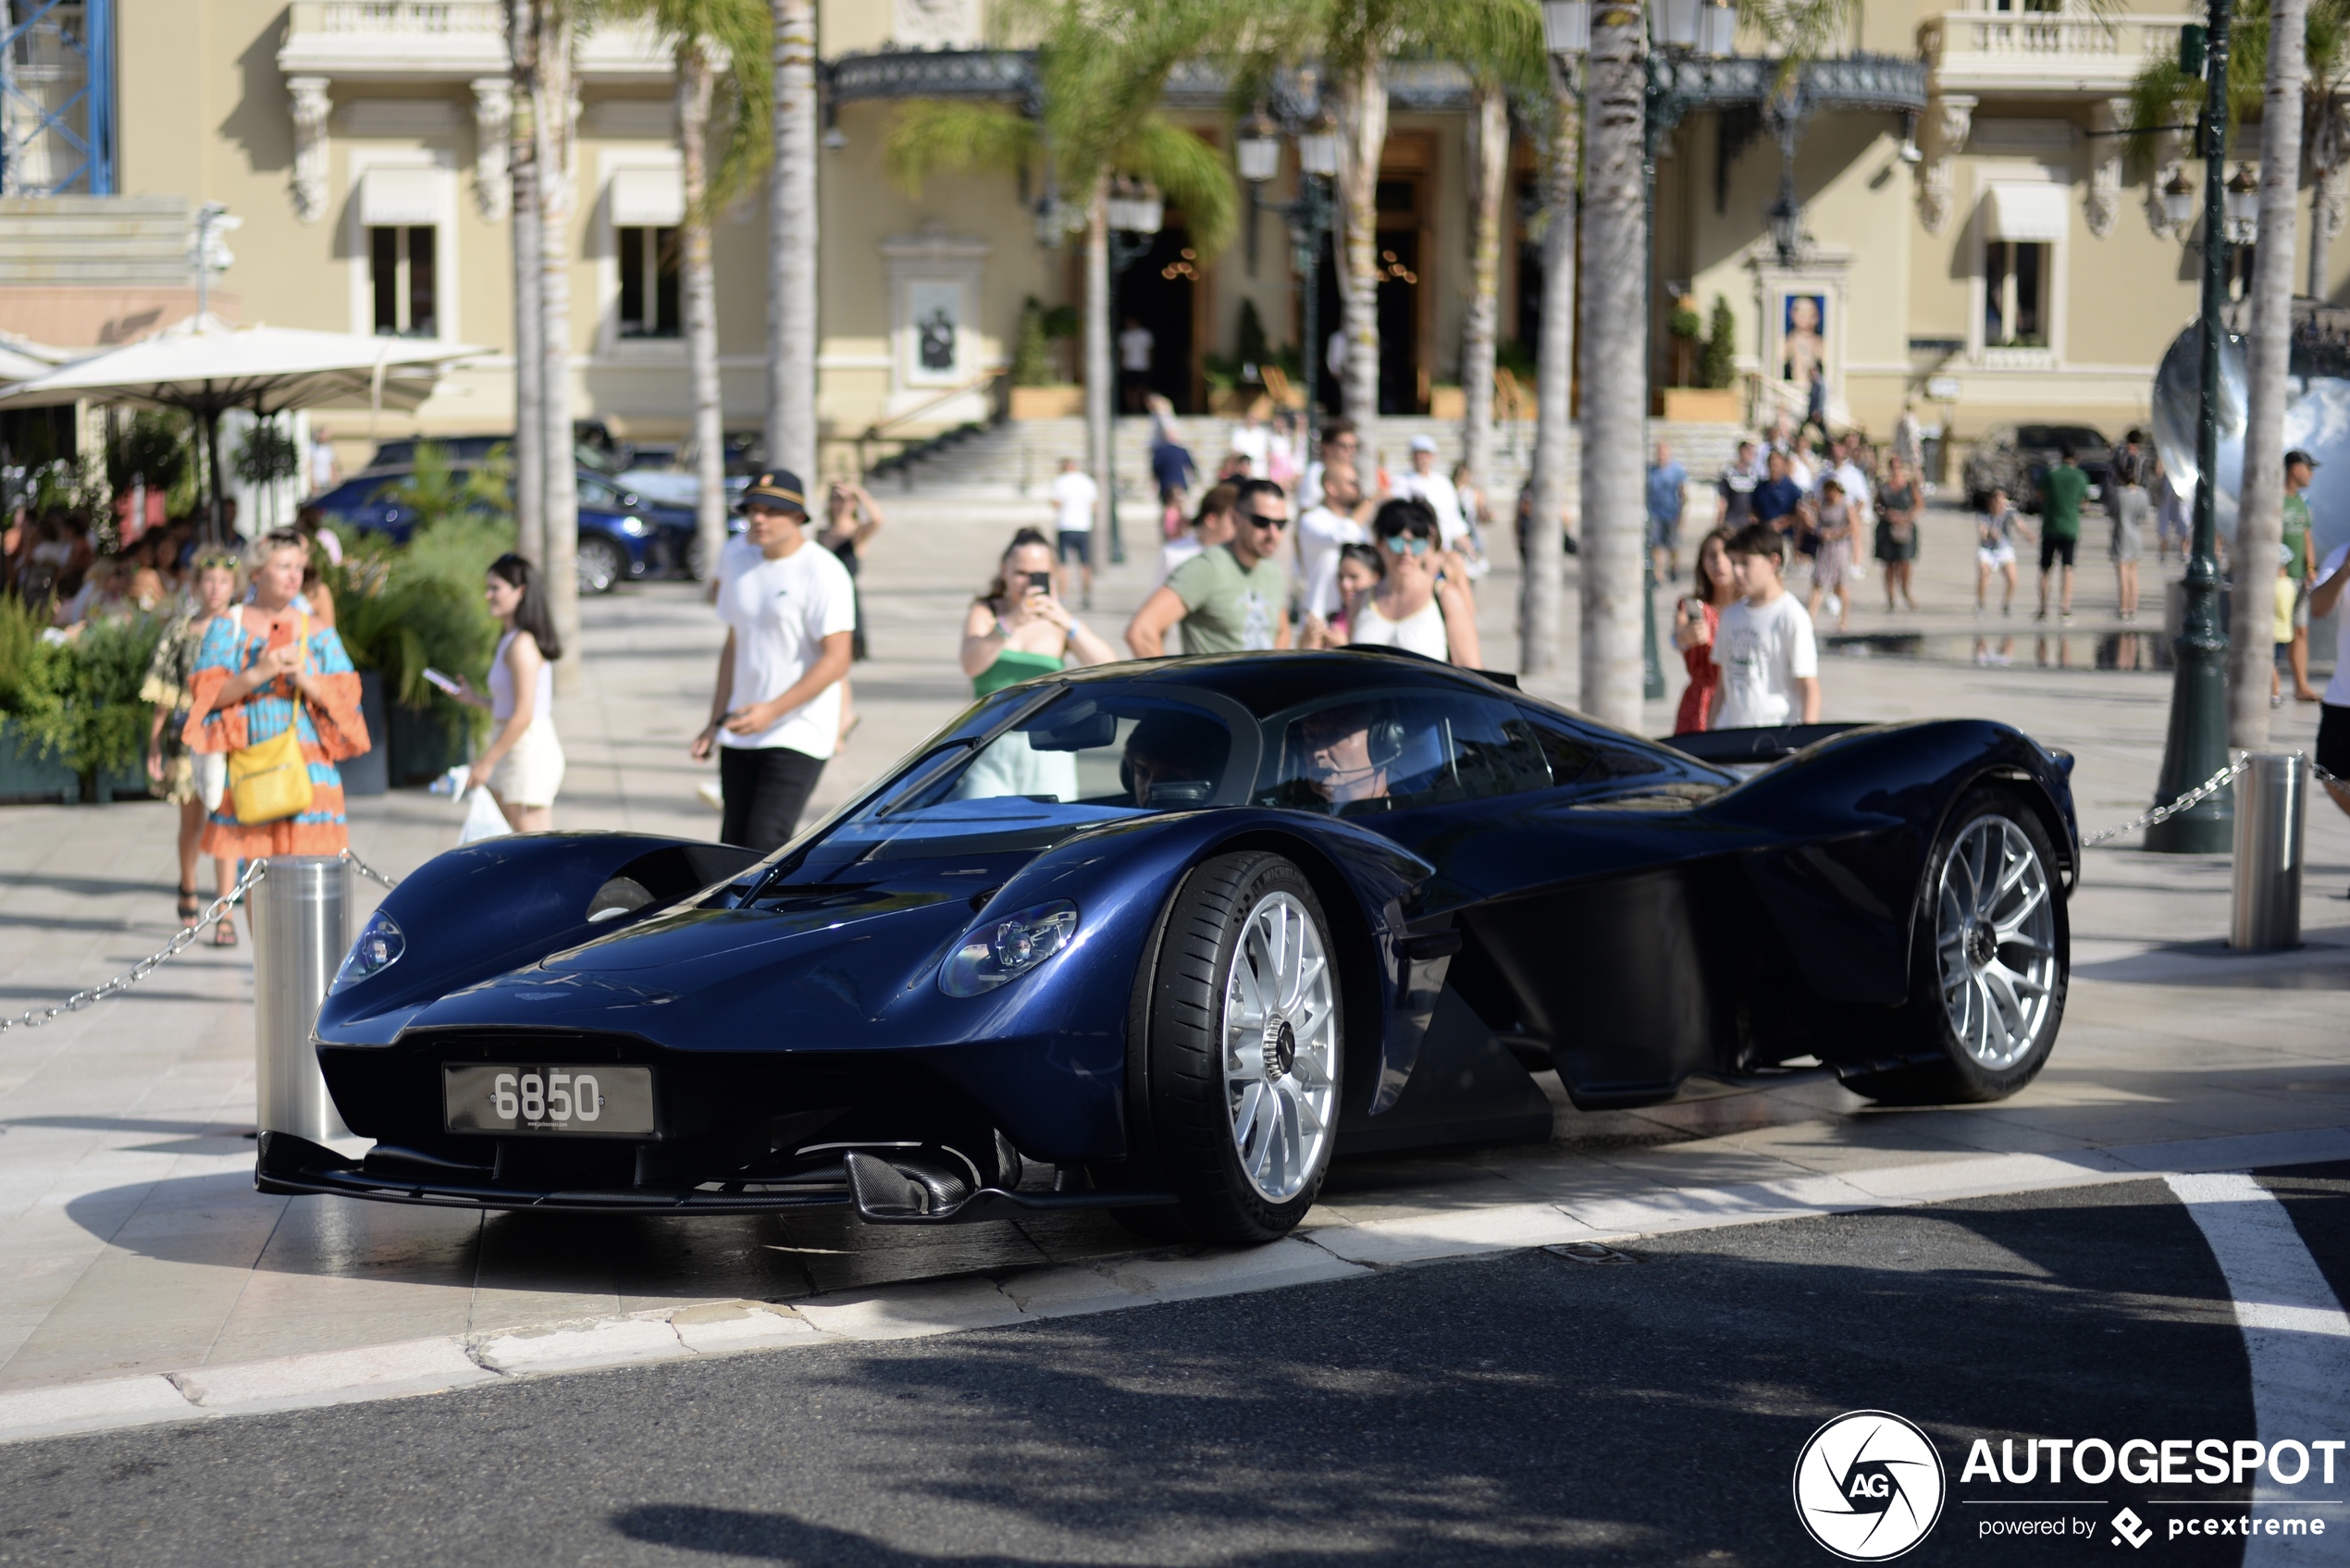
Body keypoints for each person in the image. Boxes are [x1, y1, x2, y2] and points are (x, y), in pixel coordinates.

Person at [184, 529, 371, 939]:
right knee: (258, 874)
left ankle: (313, 978)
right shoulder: (228, 627)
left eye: (299, 568)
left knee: (312, 872)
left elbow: (346, 701)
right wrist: (260, 672)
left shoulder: (317, 629)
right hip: (255, 765)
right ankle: (269, 973)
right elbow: (207, 695)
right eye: (284, 566)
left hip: (309, 769)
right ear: (256, 571)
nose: (294, 576)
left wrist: (304, 677)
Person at [691, 471, 856, 853]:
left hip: (799, 727)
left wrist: (772, 711)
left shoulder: (824, 570)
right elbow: (735, 640)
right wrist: (715, 720)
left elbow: (838, 659)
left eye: (772, 511)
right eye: (753, 510)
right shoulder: (735, 555)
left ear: (799, 517)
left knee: (765, 843)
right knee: (732, 844)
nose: (759, 519)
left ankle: (765, 916)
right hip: (742, 723)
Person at [143, 550, 241, 931]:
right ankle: (187, 882)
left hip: (229, 733)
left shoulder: (239, 628)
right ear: (196, 584)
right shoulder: (181, 629)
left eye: (223, 582)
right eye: (208, 580)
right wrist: (154, 743)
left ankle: (225, 908)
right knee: (193, 821)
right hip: (187, 734)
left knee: (226, 819)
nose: (215, 589)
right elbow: (163, 692)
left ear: (234, 586)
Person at [441, 554, 566, 832]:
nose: (488, 595)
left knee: (535, 853)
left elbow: (523, 715)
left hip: (527, 752)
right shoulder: (510, 640)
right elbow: (511, 707)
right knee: (525, 851)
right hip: (514, 748)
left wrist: (486, 763)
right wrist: (473, 699)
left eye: (495, 588)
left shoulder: (522, 645)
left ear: (520, 592)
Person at [1126, 477, 1292, 656]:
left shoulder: (1273, 571)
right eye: (1261, 522)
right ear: (1236, 518)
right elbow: (1142, 632)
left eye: (1280, 524)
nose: (1272, 533)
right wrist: (1170, 683)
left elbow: (1282, 632)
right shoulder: (1207, 567)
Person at [959, 528, 1118, 698]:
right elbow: (971, 665)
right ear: (1005, 570)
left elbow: (1112, 672)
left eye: (1038, 575)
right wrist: (1010, 622)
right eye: (1021, 573)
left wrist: (1069, 624)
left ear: (1053, 574)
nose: (1028, 584)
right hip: (992, 723)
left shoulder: (1059, 622)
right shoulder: (987, 612)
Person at [1349, 498, 1480, 666]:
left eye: (1416, 543)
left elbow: (1472, 671)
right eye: (1397, 542)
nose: (1406, 551)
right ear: (1380, 544)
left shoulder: (1445, 597)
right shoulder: (1361, 600)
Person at [1712, 525, 1820, 729]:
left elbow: (1808, 686)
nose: (1737, 571)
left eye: (1745, 563)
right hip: (1729, 735)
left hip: (1773, 736)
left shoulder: (1791, 616)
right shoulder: (1729, 615)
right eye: (1734, 563)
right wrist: (1709, 735)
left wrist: (1807, 742)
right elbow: (1721, 686)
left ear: (1773, 562)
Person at [819, 478, 885, 742]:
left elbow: (878, 520)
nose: (840, 504)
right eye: (836, 497)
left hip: (847, 604)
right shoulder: (822, 534)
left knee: (840, 667)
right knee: (827, 665)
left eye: (846, 499)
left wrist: (860, 492)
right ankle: (841, 720)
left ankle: (843, 722)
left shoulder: (857, 533)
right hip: (823, 602)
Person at [1671, 526, 1742, 735]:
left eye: (1726, 554)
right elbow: (1678, 636)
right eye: (1711, 555)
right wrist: (1684, 637)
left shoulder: (1748, 610)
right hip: (1700, 702)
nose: (1719, 562)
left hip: (1738, 701)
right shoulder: (1693, 607)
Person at [2309, 539, 2350, 838]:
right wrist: (2345, 569)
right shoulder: (2340, 554)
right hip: (2342, 697)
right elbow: (2319, 608)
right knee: (2332, 777)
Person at [1295, 461, 1370, 622]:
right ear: (1331, 487)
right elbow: (1342, 538)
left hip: (1355, 614)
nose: (1358, 488)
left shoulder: (1357, 523)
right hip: (1320, 618)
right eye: (1352, 483)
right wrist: (1368, 505)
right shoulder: (1311, 519)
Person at [2283, 449, 2322, 702]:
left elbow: (2306, 536)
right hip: (2279, 579)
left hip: (2300, 578)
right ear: (2296, 469)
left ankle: (2301, 685)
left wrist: (2311, 567)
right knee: (2274, 633)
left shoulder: (2302, 503)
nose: (2311, 475)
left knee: (2301, 631)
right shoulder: (2275, 500)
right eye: (2309, 469)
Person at [2035, 443, 2089, 623]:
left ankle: (2043, 608)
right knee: (2068, 568)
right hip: (2070, 527)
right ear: (2076, 458)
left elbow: (2040, 495)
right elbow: (2083, 501)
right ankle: (2065, 608)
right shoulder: (2080, 476)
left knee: (2045, 569)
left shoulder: (2051, 474)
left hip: (2050, 526)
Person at [1392, 434, 1467, 550]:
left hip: (1444, 549)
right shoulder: (1400, 483)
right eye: (1418, 454)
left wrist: (1469, 550)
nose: (1422, 459)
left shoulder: (1444, 483)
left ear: (1433, 457)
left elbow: (1455, 522)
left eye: (1426, 454)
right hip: (1414, 549)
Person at [1303, 543, 1384, 648]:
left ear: (1375, 578)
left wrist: (1343, 647)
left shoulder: (1382, 623)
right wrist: (1311, 639)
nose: (1345, 585)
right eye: (1341, 577)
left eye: (1354, 577)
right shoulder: (1331, 621)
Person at [1160, 482, 1238, 589]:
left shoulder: (1239, 557)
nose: (1240, 526)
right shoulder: (1173, 554)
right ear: (1212, 520)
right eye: (1234, 520)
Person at [1805, 477, 1856, 633]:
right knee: (1818, 583)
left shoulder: (1845, 506)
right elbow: (1815, 524)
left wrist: (1835, 534)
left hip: (1840, 548)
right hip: (1824, 548)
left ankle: (1843, 619)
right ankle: (1810, 617)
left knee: (1839, 586)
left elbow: (1852, 527)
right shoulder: (1822, 505)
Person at [1047, 456, 1098, 610]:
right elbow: (1094, 505)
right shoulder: (1088, 482)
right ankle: (1086, 595)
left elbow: (1056, 504)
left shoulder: (1060, 482)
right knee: (1085, 564)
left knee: (1063, 564)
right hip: (1083, 526)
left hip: (1065, 525)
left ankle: (1063, 596)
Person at [1874, 454, 1921, 611]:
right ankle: (1890, 595)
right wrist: (1886, 514)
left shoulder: (1909, 485)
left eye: (1897, 466)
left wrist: (1905, 516)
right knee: (1889, 564)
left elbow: (1919, 505)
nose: (1895, 469)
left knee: (1905, 562)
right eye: (1892, 466)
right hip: (1887, 528)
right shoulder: (1884, 486)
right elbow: (1877, 505)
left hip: (1905, 528)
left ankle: (1906, 590)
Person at [1975, 487, 2029, 616]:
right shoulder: (1984, 514)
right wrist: (1989, 534)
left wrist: (2028, 535)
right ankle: (1981, 604)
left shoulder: (2009, 513)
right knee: (1984, 574)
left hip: (2003, 549)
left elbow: (2020, 524)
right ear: (1992, 501)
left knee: (2012, 580)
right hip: (1987, 549)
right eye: (1998, 500)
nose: (2001, 504)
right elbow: (1982, 531)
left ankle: (2007, 604)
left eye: (2003, 501)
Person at [2109, 455, 2149, 624]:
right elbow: (2143, 516)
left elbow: (2112, 513)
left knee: (2123, 574)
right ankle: (2133, 607)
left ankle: (2123, 607)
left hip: (2122, 534)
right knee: (2134, 574)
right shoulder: (2143, 495)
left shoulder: (2119, 495)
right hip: (2136, 535)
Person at [1645, 440, 1688, 582]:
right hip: (1655, 513)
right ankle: (1658, 573)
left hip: (1672, 512)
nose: (1661, 455)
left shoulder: (1676, 471)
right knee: (1655, 544)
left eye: (1663, 452)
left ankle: (1674, 568)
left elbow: (1683, 494)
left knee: (1673, 545)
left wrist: (1682, 515)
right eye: (1658, 452)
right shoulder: (1650, 471)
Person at [1295, 418, 1360, 512]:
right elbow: (1306, 512)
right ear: (1327, 447)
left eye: (1353, 446)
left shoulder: (1351, 471)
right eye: (1343, 446)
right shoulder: (1316, 472)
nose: (1350, 451)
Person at [1752, 449, 1803, 532]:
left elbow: (1798, 515)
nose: (1773, 467)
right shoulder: (1760, 488)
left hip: (1785, 534)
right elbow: (1754, 510)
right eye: (1771, 464)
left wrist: (1783, 523)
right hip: (1765, 534)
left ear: (1783, 465)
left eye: (1776, 464)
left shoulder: (1792, 489)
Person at [1718, 440, 1763, 530]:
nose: (1751, 455)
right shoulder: (1729, 473)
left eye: (1753, 452)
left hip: (1748, 523)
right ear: (1741, 451)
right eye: (1748, 451)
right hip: (1731, 521)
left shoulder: (1755, 475)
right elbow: (1722, 500)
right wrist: (1720, 520)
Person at [2153, 456, 2188, 562]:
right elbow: (2158, 472)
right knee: (2163, 525)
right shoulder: (2167, 453)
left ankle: (2184, 552)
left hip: (2182, 492)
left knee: (2184, 523)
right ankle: (2163, 552)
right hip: (2167, 491)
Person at [1117, 316, 1154, 413]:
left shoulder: (1145, 334)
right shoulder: (1125, 335)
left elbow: (1149, 350)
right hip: (1129, 365)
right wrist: (1121, 363)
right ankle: (1132, 407)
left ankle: (1142, 406)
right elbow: (1122, 351)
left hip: (1142, 365)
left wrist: (1150, 362)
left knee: (1142, 387)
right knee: (1130, 388)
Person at [307, 425, 339, 496]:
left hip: (327, 482)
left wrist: (335, 481)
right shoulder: (312, 447)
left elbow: (332, 465)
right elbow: (311, 465)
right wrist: (313, 482)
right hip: (317, 483)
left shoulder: (329, 448)